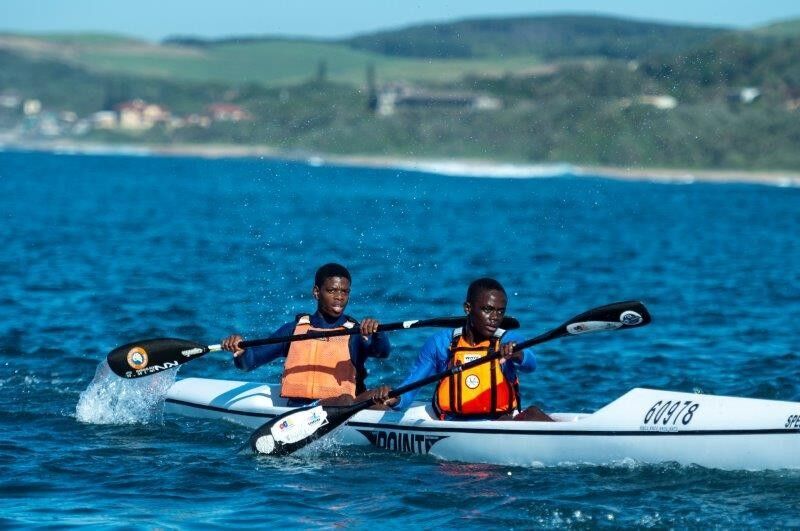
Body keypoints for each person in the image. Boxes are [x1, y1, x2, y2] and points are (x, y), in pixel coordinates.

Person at [221, 263, 391, 406]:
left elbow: (381, 352)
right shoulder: (293, 330)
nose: (339, 297)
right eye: (332, 291)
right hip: (300, 413)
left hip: (344, 410)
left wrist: (378, 333)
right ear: (316, 292)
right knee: (346, 400)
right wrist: (240, 351)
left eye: (344, 292)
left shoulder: (354, 332)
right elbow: (249, 362)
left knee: (387, 394)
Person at [389, 277, 550, 421]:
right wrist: (396, 400)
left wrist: (518, 354)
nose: (495, 318)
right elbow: (412, 384)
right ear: (468, 308)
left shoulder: (507, 340)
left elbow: (531, 365)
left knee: (534, 412)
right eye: (487, 310)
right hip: (455, 424)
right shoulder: (441, 343)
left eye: (500, 312)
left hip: (500, 421)